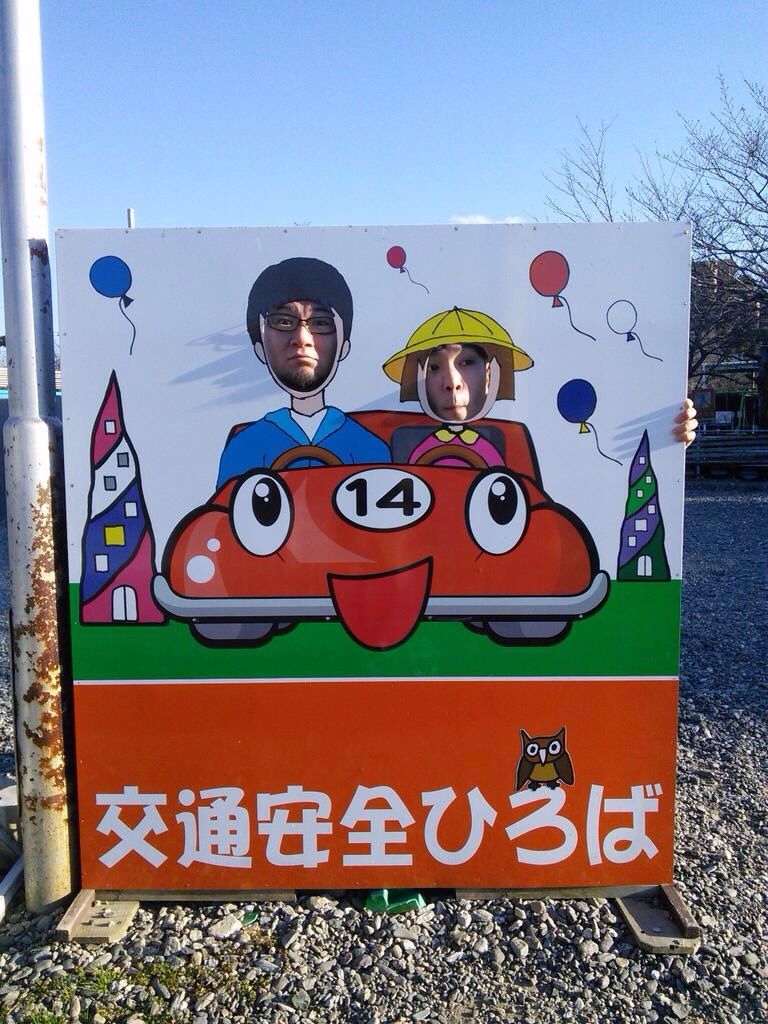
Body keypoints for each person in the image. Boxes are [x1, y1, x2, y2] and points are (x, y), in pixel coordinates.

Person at [217, 258, 390, 486]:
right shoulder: (246, 446)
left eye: (320, 323)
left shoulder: (368, 447)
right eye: (283, 321)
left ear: (344, 347)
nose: (302, 339)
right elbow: (225, 506)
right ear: (259, 349)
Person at [382, 306, 533, 467]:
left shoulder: (492, 449)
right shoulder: (421, 450)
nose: (452, 383)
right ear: (419, 377)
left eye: (467, 363)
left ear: (489, 374)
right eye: (434, 367)